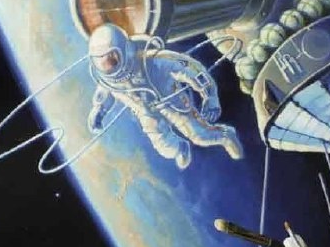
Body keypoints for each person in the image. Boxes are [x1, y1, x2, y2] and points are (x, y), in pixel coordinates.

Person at [87, 23, 243, 169]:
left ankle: (225, 135)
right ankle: (181, 148)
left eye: (112, 59)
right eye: (101, 62)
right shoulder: (108, 82)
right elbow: (104, 94)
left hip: (172, 101)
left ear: (125, 50)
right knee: (165, 146)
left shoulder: (154, 61)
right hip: (146, 112)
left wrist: (210, 96)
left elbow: (192, 70)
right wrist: (99, 111)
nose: (107, 66)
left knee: (200, 136)